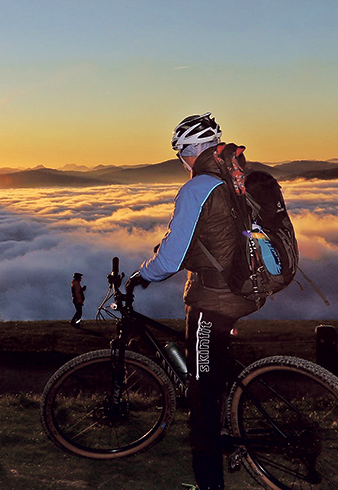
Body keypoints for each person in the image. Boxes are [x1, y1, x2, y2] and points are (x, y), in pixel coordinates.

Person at [125, 113, 263, 490]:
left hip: (213, 300)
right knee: (214, 376)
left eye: (178, 153)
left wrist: (144, 274)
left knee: (201, 396)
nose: (180, 161)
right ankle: (231, 423)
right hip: (243, 290)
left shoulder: (197, 187)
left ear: (189, 151)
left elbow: (170, 260)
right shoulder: (233, 177)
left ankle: (209, 484)